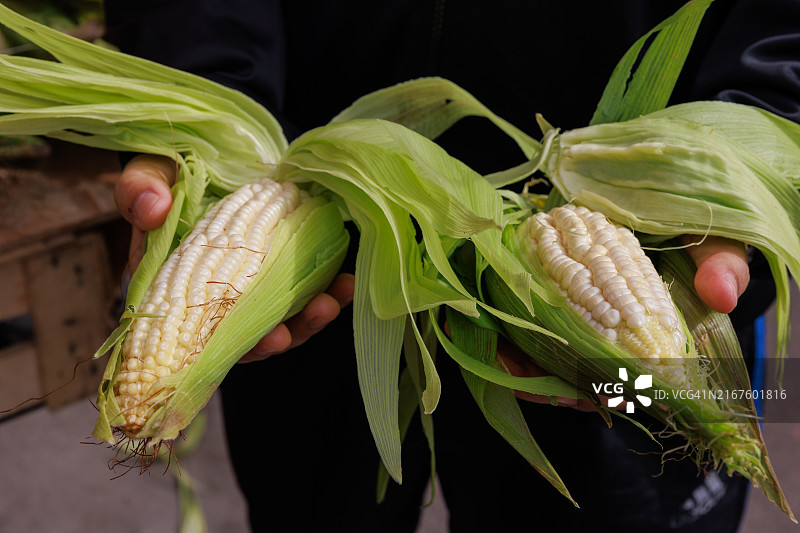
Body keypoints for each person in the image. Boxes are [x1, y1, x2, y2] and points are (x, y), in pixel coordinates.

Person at [104, 1, 794, 531]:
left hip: (636, 245)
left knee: (643, 458)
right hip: (321, 264)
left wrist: (735, 162)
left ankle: (711, 418)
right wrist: (201, 98)